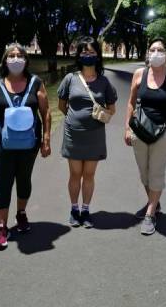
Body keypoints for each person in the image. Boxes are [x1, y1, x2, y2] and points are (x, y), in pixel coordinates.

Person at [0, 43, 51, 248]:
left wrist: (46, 140)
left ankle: (21, 214)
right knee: (3, 183)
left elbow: (46, 113)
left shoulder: (36, 83)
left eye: (20, 55)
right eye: (11, 55)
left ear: (26, 60)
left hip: (30, 142)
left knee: (24, 179)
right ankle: (2, 226)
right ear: (4, 60)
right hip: (2, 142)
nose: (16, 58)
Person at [124, 37, 166, 235]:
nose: (156, 53)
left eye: (160, 50)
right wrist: (127, 127)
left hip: (165, 131)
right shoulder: (139, 74)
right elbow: (130, 103)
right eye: (152, 49)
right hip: (140, 130)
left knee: (156, 172)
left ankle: (150, 213)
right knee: (144, 173)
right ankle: (155, 202)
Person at [57, 37, 117, 228]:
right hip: (73, 134)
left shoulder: (104, 82)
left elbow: (112, 109)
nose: (88, 55)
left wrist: (99, 115)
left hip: (95, 135)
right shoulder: (70, 79)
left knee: (89, 175)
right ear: (79, 55)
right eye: (84, 52)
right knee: (75, 174)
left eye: (91, 52)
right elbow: (61, 105)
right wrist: (74, 119)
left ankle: (86, 210)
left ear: (97, 56)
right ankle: (74, 210)